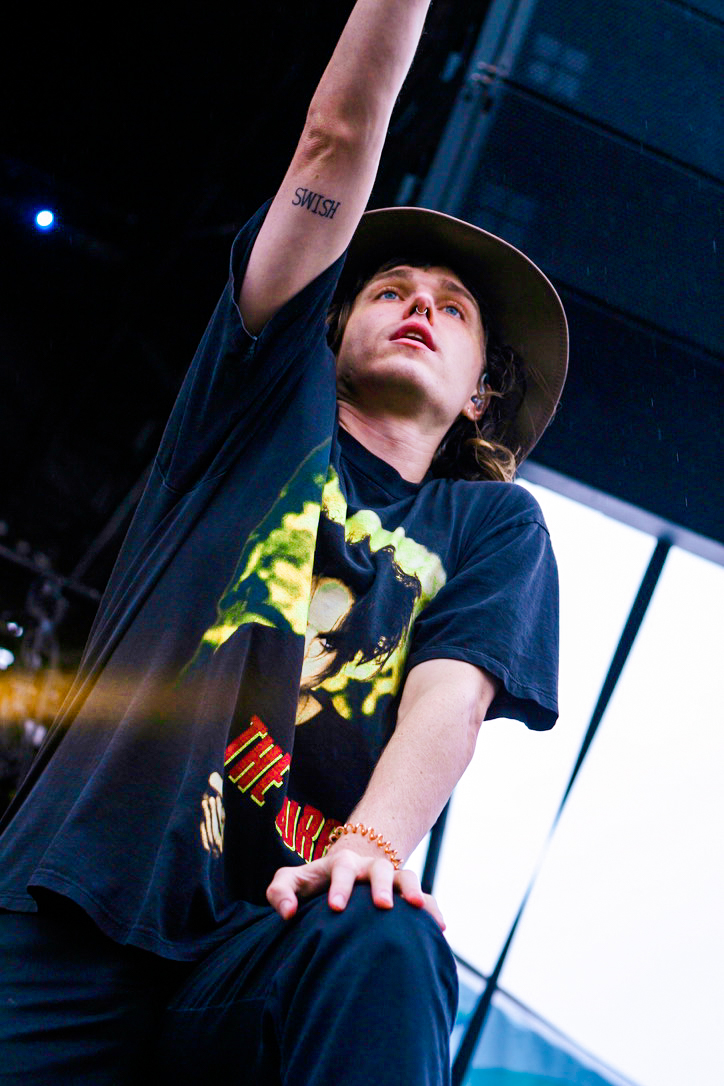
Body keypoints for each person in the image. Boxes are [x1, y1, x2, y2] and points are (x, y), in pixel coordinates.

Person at [0, 0, 568, 1083]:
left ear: (481, 396)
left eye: (452, 309)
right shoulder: (262, 402)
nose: (418, 306)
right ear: (333, 331)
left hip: (259, 949)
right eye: (389, 289)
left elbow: (449, 705)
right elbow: (334, 141)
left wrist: (369, 844)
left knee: (389, 932)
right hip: (70, 911)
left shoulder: (493, 525)